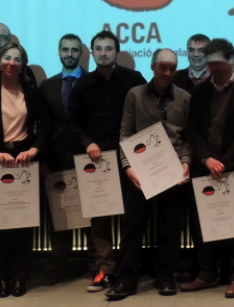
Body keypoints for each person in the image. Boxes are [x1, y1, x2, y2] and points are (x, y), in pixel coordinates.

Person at [105, 48, 191, 300]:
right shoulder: (135, 95)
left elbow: (189, 137)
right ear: (153, 67)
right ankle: (127, 279)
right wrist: (127, 167)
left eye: (172, 68)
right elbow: (125, 133)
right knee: (132, 228)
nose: (168, 73)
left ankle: (166, 276)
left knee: (170, 229)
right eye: (163, 67)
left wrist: (186, 162)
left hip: (173, 174)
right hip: (141, 173)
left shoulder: (185, 98)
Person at [70, 30, 147, 293]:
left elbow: (146, 113)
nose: (103, 53)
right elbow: (73, 123)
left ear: (117, 52)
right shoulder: (83, 84)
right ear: (92, 53)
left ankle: (127, 270)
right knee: (99, 219)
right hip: (97, 159)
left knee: (131, 218)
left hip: (130, 160)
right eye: (98, 49)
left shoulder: (134, 79)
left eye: (108, 48)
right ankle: (105, 271)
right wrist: (87, 143)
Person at [0, 42, 47, 298]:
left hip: (24, 161)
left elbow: (46, 126)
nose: (11, 63)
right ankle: (1, 278)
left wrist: (34, 149)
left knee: (22, 222)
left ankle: (20, 276)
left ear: (23, 65)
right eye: (7, 58)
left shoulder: (32, 93)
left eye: (17, 59)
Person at [181, 38, 234, 298]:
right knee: (203, 224)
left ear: (231, 59)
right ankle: (206, 273)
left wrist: (226, 162)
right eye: (211, 64)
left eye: (219, 64)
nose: (214, 69)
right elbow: (193, 129)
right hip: (205, 169)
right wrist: (206, 159)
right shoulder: (200, 92)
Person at [37, 33, 87, 285]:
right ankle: (59, 266)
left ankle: (97, 266)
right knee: (58, 215)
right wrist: (43, 161)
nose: (69, 54)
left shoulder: (92, 81)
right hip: (55, 157)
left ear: (81, 53)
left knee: (92, 215)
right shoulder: (47, 85)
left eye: (74, 50)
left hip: (87, 157)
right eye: (65, 49)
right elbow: (42, 126)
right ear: (58, 52)